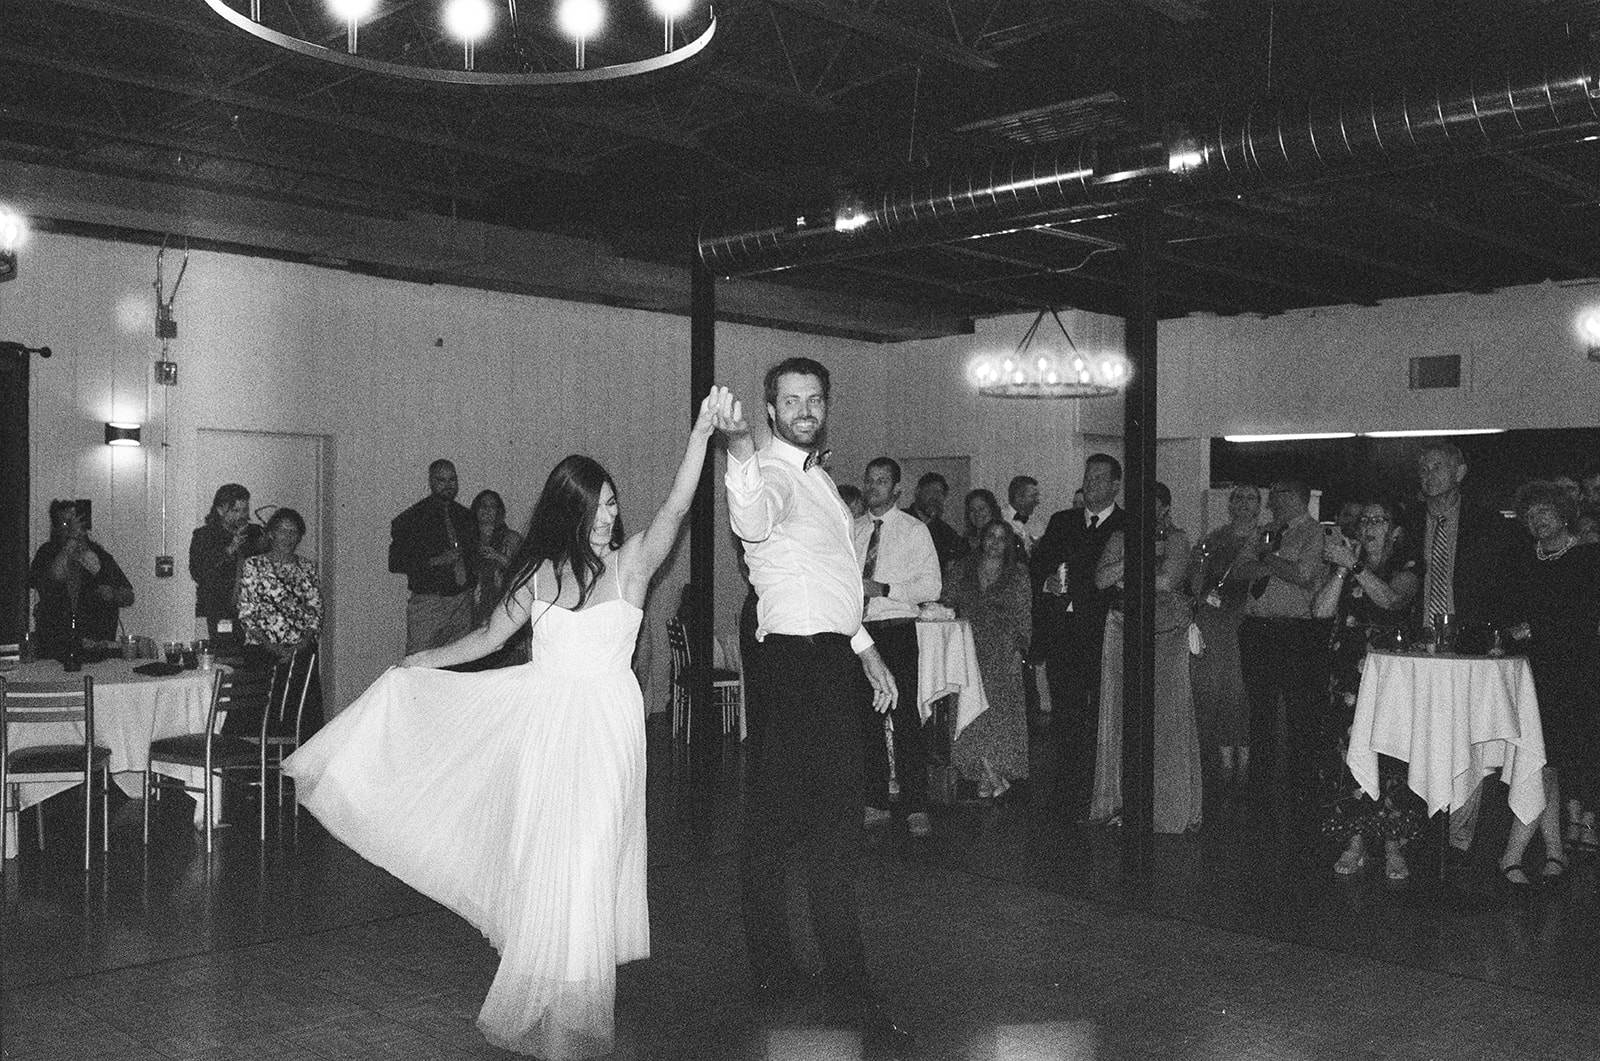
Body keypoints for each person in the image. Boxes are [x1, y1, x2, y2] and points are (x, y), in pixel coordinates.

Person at [284, 389, 728, 1058]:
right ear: (569, 510)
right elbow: (487, 638)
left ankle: (579, 993)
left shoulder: (632, 564)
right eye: (598, 505)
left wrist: (701, 434)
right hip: (546, 722)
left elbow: (677, 505)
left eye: (612, 503)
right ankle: (554, 990)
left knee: (590, 849)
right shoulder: (537, 575)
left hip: (608, 726)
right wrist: (421, 660)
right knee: (551, 853)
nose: (610, 515)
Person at [716, 358, 906, 1050]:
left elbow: (833, 581)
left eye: (813, 398)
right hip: (796, 662)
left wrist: (866, 649)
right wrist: (738, 452)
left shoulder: (822, 481)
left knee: (789, 820)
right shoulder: (767, 472)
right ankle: (835, 976)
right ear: (769, 410)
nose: (803, 408)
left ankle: (789, 968)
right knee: (817, 821)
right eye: (789, 399)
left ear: (825, 406)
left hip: (828, 657)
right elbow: (754, 517)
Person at [1404, 441, 1518, 860]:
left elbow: (1506, 583)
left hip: (1468, 645)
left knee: (1468, 741)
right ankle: (1421, 825)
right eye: (1423, 468)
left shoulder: (1489, 524)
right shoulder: (1409, 522)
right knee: (1422, 736)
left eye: (1437, 466)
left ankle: (1458, 838)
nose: (1428, 474)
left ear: (1460, 471)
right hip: (1420, 645)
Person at [1313, 498, 1424, 881]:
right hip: (1347, 676)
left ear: (1395, 530)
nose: (1370, 526)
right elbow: (1321, 610)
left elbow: (1392, 599)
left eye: (1380, 519)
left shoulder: (1406, 566)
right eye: (1365, 521)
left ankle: (1393, 845)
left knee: (1390, 758)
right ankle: (1355, 840)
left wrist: (1354, 567)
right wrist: (1342, 572)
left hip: (1391, 677)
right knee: (1348, 756)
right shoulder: (1346, 568)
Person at [1498, 481, 1600, 888]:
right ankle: (1554, 853)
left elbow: (1579, 618)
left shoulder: (1590, 557)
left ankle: (1512, 854)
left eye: (1543, 511)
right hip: (1531, 670)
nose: (1535, 520)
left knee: (1547, 761)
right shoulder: (1526, 559)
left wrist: (1533, 627)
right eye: (1529, 515)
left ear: (1563, 514)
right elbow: (1508, 609)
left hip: (1574, 672)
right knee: (1542, 763)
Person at [1087, 483, 1202, 833]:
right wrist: (1134, 559)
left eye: (1152, 507)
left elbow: (1168, 580)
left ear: (1165, 508)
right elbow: (1101, 579)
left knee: (1165, 715)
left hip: (1165, 632)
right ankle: (1119, 802)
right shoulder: (1121, 537)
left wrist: (1127, 576)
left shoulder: (1179, 538)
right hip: (1122, 627)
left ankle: (1167, 808)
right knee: (1119, 711)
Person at [1031, 453, 1125, 815]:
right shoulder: (1063, 520)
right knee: (1065, 708)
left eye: (1100, 478)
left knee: (1102, 706)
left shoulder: (1125, 523)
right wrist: (1047, 580)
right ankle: (1066, 781)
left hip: (1102, 628)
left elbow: (1106, 575)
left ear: (1116, 485)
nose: (1091, 484)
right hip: (1062, 628)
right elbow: (1039, 562)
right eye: (1088, 477)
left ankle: (1100, 783)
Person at [856, 457, 941, 836]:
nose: (874, 487)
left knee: (905, 718)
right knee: (866, 719)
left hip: (897, 629)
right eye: (870, 480)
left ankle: (915, 805)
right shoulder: (853, 529)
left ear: (896, 490)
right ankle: (875, 800)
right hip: (860, 635)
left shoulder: (913, 531)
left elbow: (931, 587)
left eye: (882, 481)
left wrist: (884, 588)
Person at [1235, 479, 1330, 794]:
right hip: (1256, 629)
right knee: (1260, 708)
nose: (1272, 499)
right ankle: (1260, 785)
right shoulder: (1264, 531)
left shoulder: (1314, 532)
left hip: (1293, 631)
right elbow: (1239, 570)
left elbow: (1304, 574)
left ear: (1299, 497)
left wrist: (1266, 559)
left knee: (1297, 710)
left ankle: (1300, 785)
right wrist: (1272, 563)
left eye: (1280, 493)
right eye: (1272, 494)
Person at [943, 519, 1032, 800]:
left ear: (1008, 544)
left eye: (1001, 538)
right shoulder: (962, 569)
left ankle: (994, 771)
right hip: (967, 646)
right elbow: (946, 602)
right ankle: (984, 771)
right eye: (990, 537)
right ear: (982, 539)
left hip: (1002, 649)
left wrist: (1020, 647)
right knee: (971, 711)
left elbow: (1024, 613)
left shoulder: (1017, 573)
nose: (995, 542)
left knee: (999, 714)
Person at [1188, 484, 1261, 788]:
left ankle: (1244, 757)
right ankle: (1217, 757)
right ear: (1230, 505)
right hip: (1215, 622)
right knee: (1213, 690)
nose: (1244, 504)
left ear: (1260, 505)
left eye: (1251, 498)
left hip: (1249, 620)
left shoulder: (1267, 538)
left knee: (1243, 689)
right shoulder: (1214, 539)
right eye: (1238, 498)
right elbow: (1194, 583)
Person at [236, 507, 325, 737]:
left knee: (300, 721)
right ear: (272, 533)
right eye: (283, 531)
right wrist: (273, 648)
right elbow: (247, 612)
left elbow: (315, 611)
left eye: (294, 532)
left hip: (300, 653)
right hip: (262, 651)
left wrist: (298, 648)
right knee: (260, 721)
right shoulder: (253, 565)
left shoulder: (306, 567)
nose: (288, 537)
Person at [389, 459, 479, 654]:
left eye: (453, 480)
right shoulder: (411, 518)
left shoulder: (466, 516)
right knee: (419, 662)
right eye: (442, 480)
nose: (449, 485)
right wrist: (436, 561)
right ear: (430, 482)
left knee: (459, 663)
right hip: (430, 601)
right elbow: (396, 562)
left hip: (462, 600)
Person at [29, 499, 134, 661]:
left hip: (96, 645)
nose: (74, 528)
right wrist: (71, 541)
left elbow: (128, 595)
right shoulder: (46, 553)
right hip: (54, 646)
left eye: (77, 522)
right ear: (55, 528)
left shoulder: (98, 554)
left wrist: (113, 594)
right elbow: (54, 577)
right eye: (66, 524)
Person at [189, 483, 265, 655]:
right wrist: (230, 549)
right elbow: (198, 572)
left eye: (245, 510)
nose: (242, 516)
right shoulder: (204, 536)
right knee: (223, 660)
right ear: (221, 510)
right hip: (218, 612)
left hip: (252, 612)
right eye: (236, 511)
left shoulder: (255, 534)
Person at [906, 471, 966, 569]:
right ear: (917, 491)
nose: (936, 497)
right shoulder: (899, 521)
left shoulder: (947, 533)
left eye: (940, 493)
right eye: (931, 491)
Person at [1003, 475, 1044, 559]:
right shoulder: (1000, 520)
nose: (1037, 501)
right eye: (1033, 496)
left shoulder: (1038, 525)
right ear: (1018, 497)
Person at [960, 488, 1005, 557]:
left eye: (981, 509)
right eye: (972, 510)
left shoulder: (1007, 538)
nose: (977, 513)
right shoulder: (964, 543)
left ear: (992, 510)